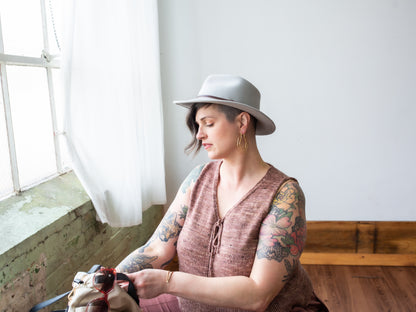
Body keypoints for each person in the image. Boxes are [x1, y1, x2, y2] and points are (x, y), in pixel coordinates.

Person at [116, 75, 328, 311]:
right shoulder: (197, 179)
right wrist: (109, 278)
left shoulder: (285, 195)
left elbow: (258, 295)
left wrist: (169, 281)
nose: (199, 135)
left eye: (209, 123)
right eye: (198, 125)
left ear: (242, 122)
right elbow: (158, 247)